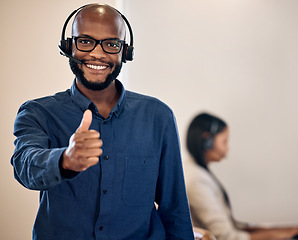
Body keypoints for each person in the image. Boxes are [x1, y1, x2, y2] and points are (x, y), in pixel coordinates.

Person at [11, 4, 194, 240]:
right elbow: (24, 165)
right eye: (85, 41)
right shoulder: (37, 113)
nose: (98, 53)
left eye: (111, 44)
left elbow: (175, 210)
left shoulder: (158, 117)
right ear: (68, 46)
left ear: (124, 52)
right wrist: (65, 160)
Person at [183, 113, 298, 240]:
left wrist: (278, 230)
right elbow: (227, 236)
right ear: (207, 141)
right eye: (224, 141)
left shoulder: (198, 172)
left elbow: (231, 226)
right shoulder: (198, 180)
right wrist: (279, 235)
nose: (227, 149)